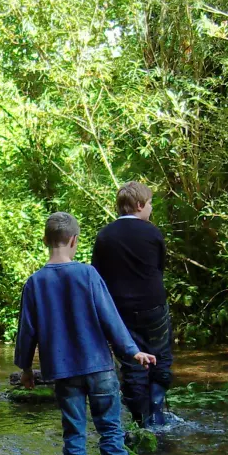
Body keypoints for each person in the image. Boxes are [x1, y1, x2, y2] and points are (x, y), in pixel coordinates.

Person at [15, 212, 156, 455]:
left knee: (74, 435)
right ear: (74, 240)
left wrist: (26, 369)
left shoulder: (34, 283)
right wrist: (133, 351)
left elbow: (26, 331)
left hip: (64, 374)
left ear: (45, 240)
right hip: (99, 369)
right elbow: (110, 318)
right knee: (110, 431)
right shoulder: (88, 274)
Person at [91, 182, 173, 427]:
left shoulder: (105, 235)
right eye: (149, 204)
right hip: (154, 306)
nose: (150, 209)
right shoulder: (153, 233)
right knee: (161, 355)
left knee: (132, 362)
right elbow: (160, 268)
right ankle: (157, 410)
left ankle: (141, 420)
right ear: (139, 205)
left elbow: (97, 275)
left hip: (119, 311)